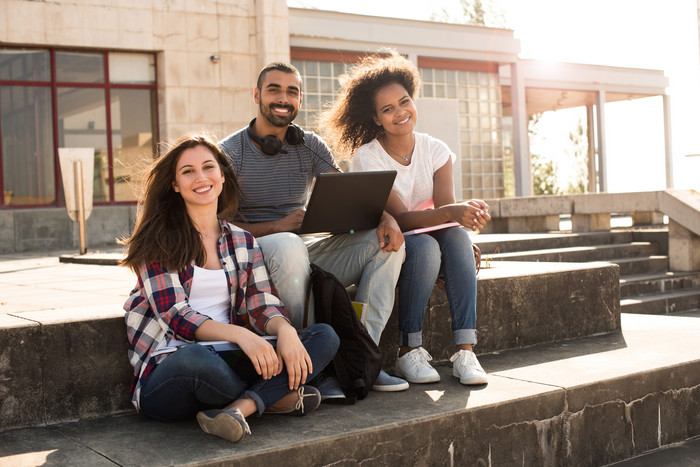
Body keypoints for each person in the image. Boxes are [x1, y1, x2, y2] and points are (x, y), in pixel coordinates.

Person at [120, 134, 339, 443]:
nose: (201, 177)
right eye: (188, 171)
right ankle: (274, 399)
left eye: (208, 167)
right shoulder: (159, 241)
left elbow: (262, 304)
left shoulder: (242, 241)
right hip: (171, 371)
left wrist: (285, 330)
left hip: (230, 358)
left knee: (323, 336)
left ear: (222, 176)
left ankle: (240, 408)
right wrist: (242, 336)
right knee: (196, 359)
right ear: (175, 184)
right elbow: (176, 317)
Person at [218, 62, 409, 392]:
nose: (283, 98)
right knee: (288, 245)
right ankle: (311, 366)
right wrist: (278, 226)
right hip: (255, 261)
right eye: (274, 89)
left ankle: (362, 360)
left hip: (301, 253)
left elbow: (349, 195)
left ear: (300, 100)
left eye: (292, 91)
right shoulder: (230, 153)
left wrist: (386, 218)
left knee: (387, 242)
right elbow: (219, 229)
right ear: (256, 95)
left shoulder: (309, 145)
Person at [321, 51, 490, 386]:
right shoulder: (367, 157)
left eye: (404, 101)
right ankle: (408, 350)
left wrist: (465, 216)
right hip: (397, 245)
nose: (400, 113)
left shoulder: (435, 150)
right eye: (388, 109)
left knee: (456, 238)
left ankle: (465, 350)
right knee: (425, 244)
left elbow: (445, 213)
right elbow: (403, 219)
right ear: (376, 118)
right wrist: (453, 212)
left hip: (431, 241)